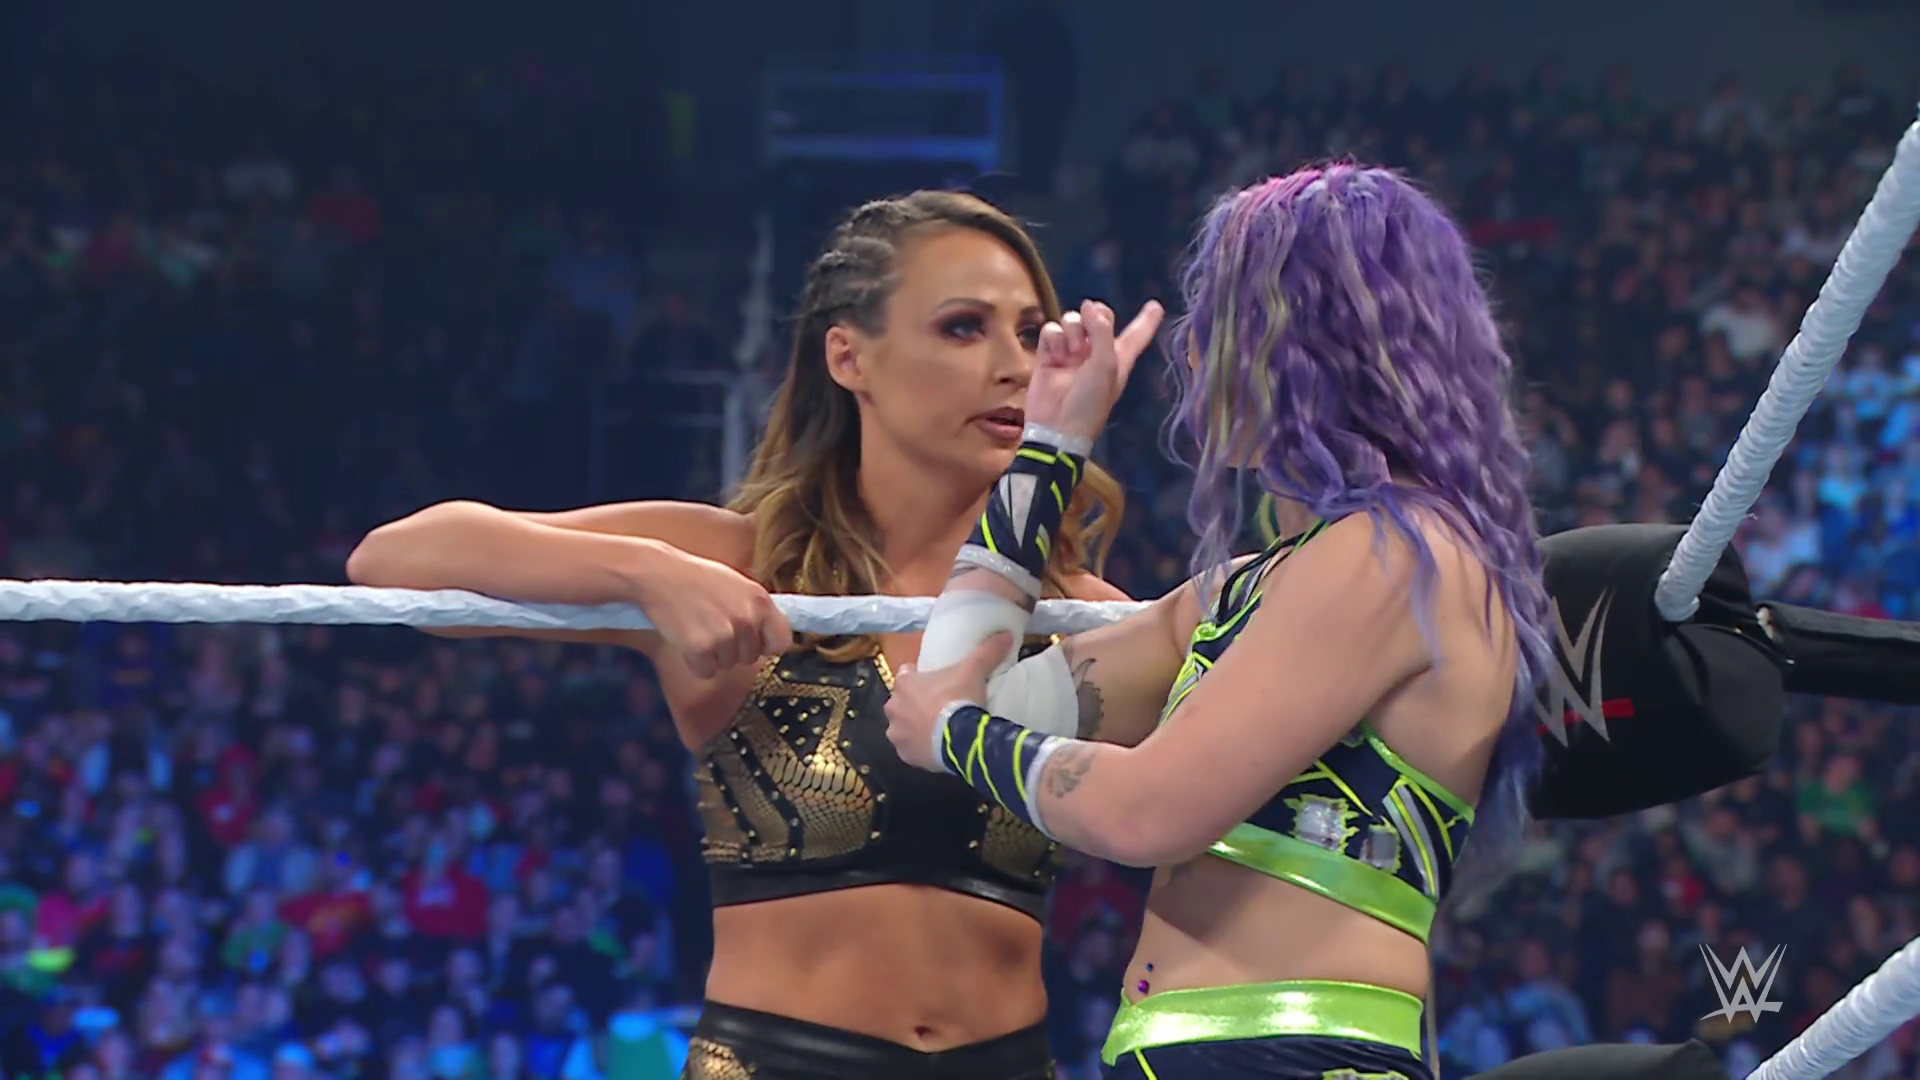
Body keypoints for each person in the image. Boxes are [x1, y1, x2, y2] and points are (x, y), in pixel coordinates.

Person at [346, 189, 1165, 1080]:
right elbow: (396, 562)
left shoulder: (1080, 615)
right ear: (849, 357)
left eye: (1033, 334)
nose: (1014, 366)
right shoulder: (744, 562)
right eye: (963, 328)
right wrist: (645, 574)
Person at [881, 164, 1553, 1080]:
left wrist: (956, 732)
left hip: (1296, 1054)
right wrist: (1050, 444)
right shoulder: (1247, 590)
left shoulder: (1398, 556)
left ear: (1313, 343)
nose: (1193, 355)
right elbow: (960, 685)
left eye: (1225, 321)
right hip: (1178, 1050)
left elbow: (1145, 809)